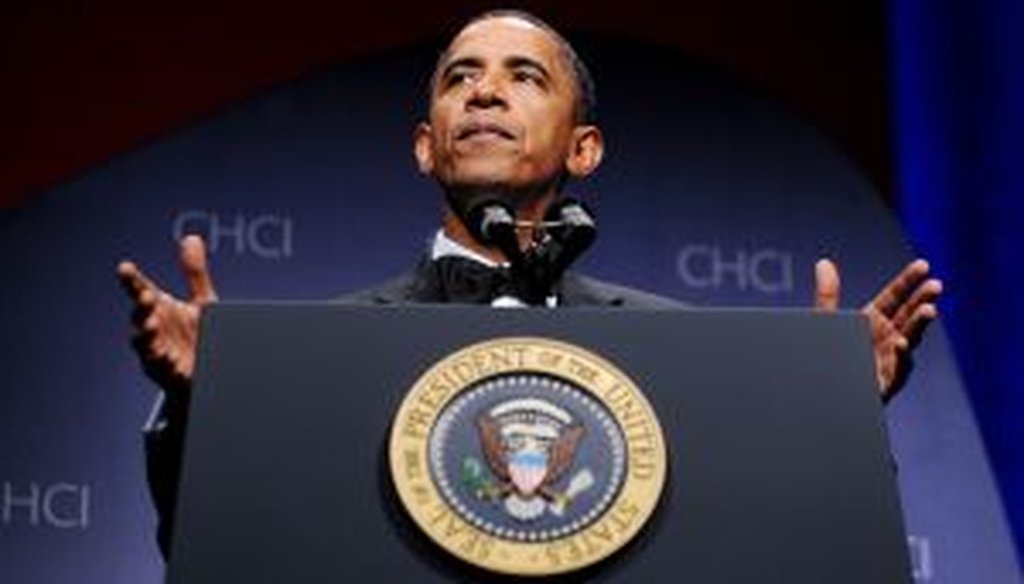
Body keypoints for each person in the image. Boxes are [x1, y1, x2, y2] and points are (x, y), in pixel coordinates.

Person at [117, 9, 943, 557]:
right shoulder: (321, 351)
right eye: (459, 77)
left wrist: (835, 418)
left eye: (524, 77)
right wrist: (206, 404)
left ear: (584, 150)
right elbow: (225, 545)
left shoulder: (679, 347)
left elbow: (762, 546)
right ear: (424, 146)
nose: (483, 92)